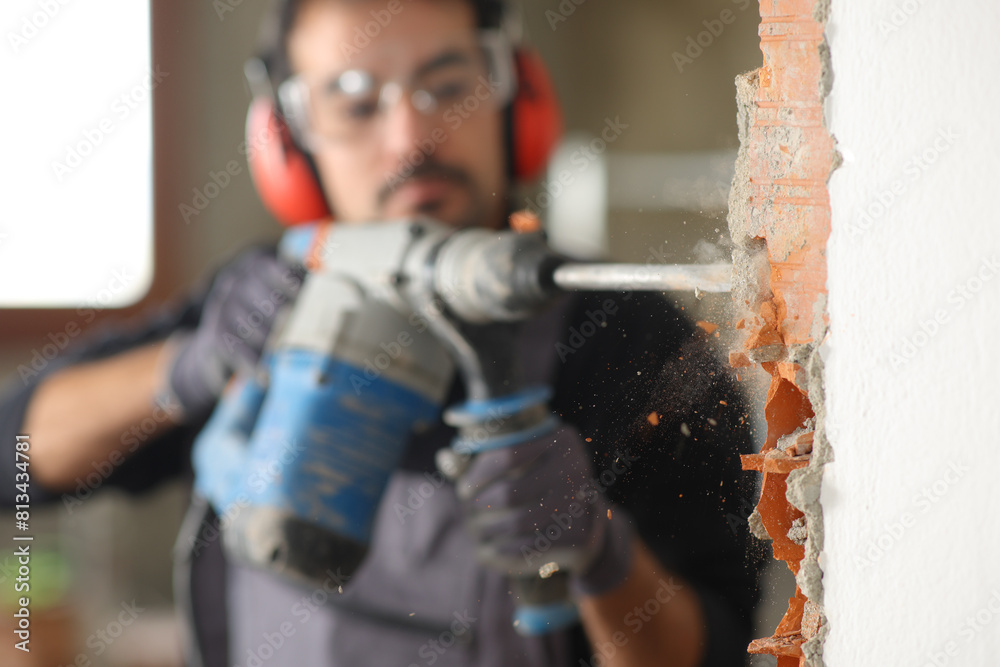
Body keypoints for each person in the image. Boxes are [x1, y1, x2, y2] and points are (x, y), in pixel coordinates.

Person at [0, 1, 765, 665]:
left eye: (448, 85)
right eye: (355, 102)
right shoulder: (263, 299)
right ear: (287, 141)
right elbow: (17, 461)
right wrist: (185, 367)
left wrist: (599, 553)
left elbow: (719, 653)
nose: (411, 138)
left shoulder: (631, 343)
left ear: (515, 99)